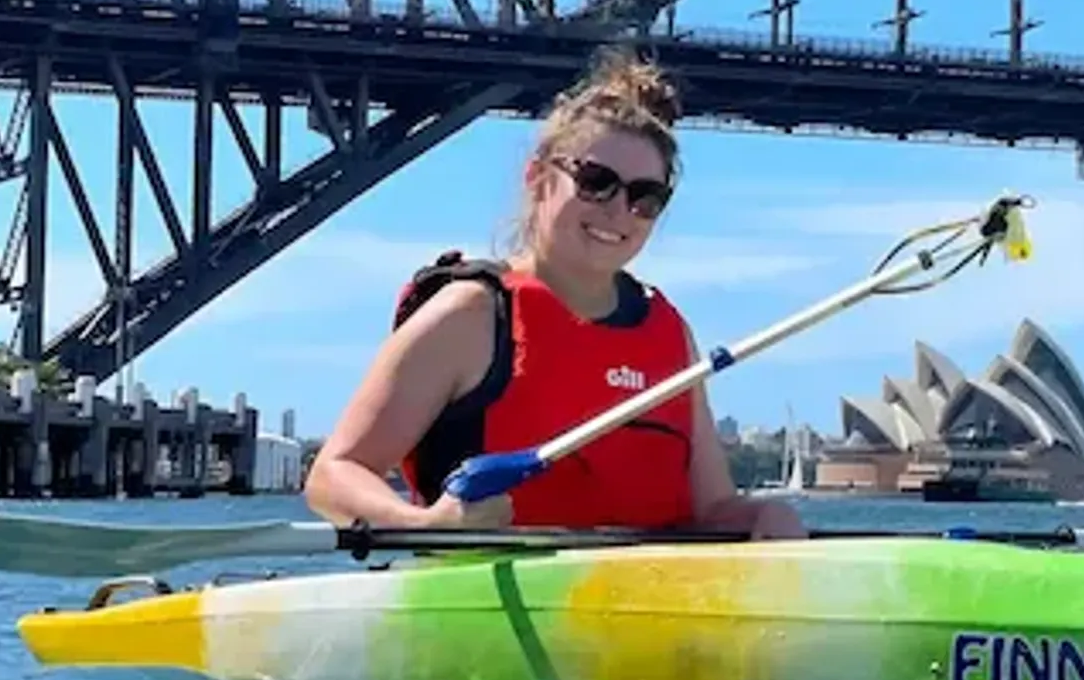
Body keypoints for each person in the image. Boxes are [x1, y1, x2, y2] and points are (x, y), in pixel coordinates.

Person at [304, 49, 806, 541]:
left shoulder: (669, 333)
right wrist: (427, 525)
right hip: (484, 594)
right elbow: (334, 474)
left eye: (645, 196)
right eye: (596, 182)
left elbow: (713, 509)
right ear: (539, 177)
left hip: (652, 594)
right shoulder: (471, 315)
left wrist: (762, 516)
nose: (619, 210)